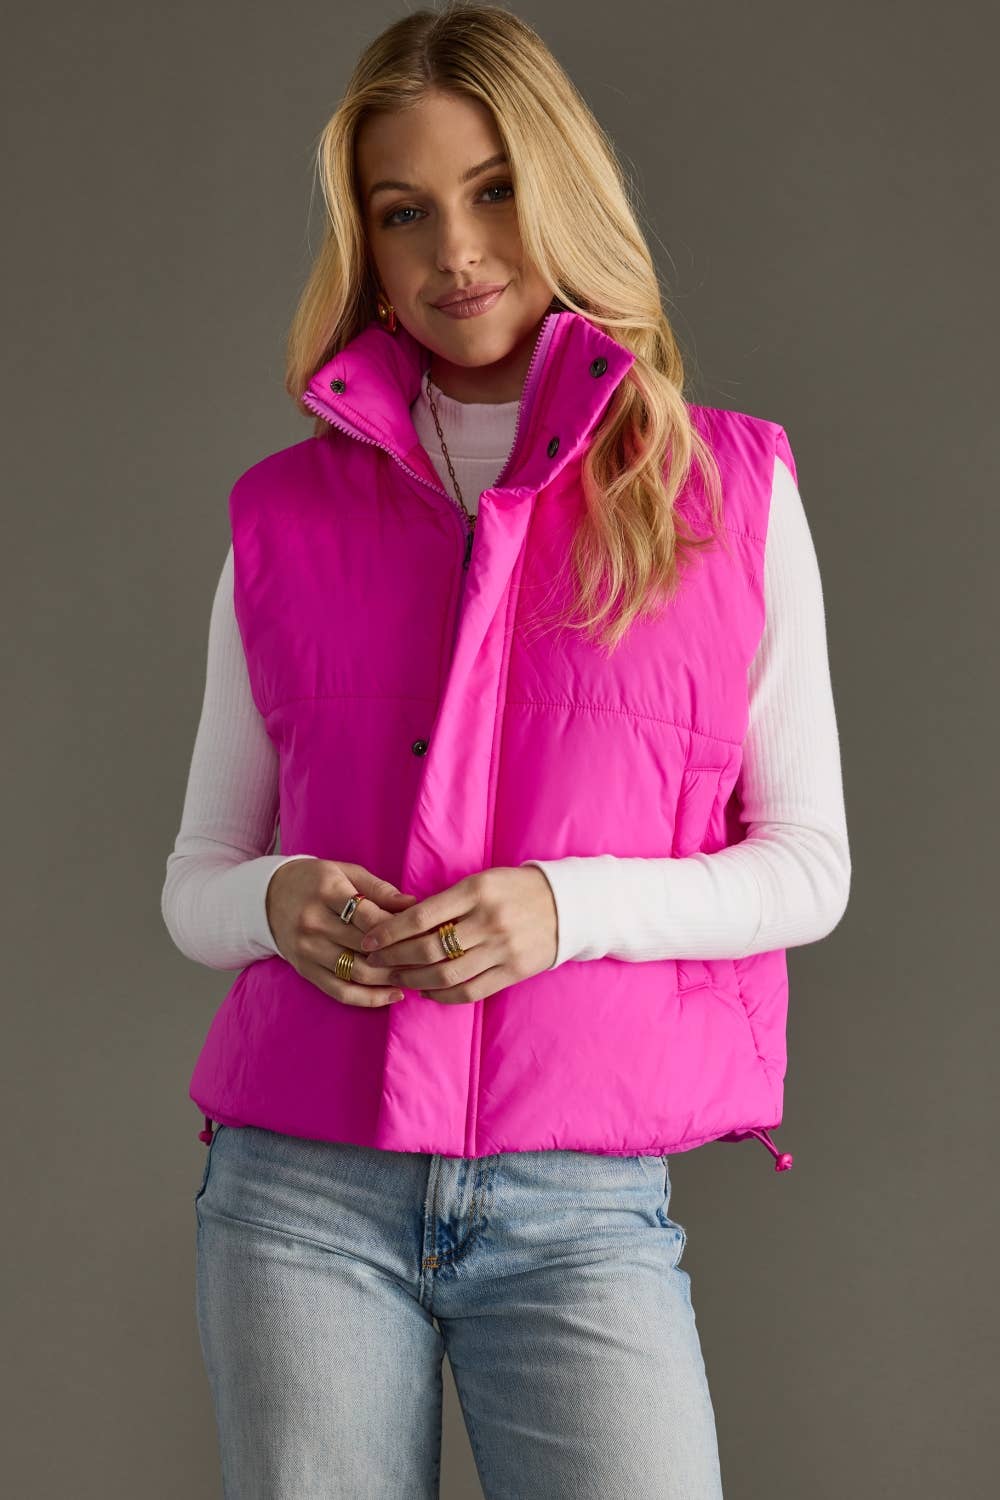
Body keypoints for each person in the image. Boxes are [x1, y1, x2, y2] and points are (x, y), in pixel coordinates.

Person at [161, 5, 851, 1496]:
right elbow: (196, 883)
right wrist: (276, 898)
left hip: (580, 1209)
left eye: (493, 191)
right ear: (364, 243)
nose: (456, 250)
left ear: (562, 189)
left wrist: (565, 907)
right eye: (402, 211)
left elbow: (809, 867)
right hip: (299, 1200)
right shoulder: (283, 515)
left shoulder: (726, 488)